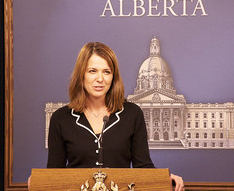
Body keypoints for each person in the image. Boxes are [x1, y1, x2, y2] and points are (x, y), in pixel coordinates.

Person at [46, 42, 185, 191]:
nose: (100, 78)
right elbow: (54, 172)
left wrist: (163, 178)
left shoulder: (132, 114)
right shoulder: (60, 118)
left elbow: (143, 166)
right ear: (81, 74)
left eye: (106, 72)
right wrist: (39, 180)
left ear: (113, 76)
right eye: (92, 71)